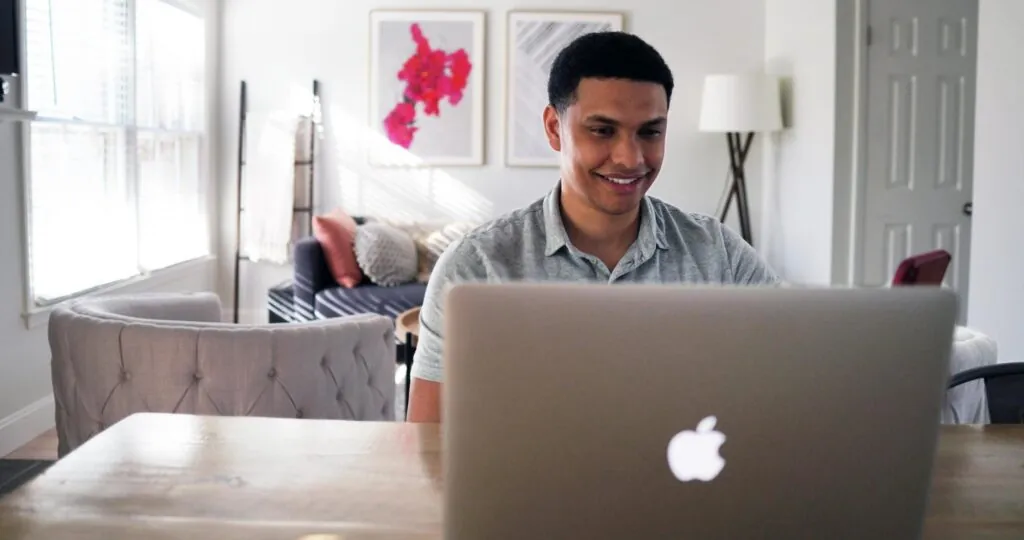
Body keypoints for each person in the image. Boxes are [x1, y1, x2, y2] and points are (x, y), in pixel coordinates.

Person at [405, 31, 780, 423]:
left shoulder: (719, 256)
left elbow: (790, 383)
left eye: (650, 132)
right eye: (603, 131)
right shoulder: (475, 266)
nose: (630, 158)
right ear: (554, 128)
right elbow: (423, 441)